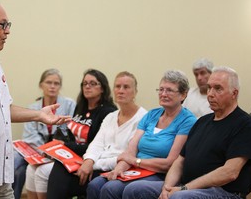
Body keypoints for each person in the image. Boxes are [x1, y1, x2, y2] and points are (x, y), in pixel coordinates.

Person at [0, 0, 68, 198]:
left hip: (2, 177)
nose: (7, 31)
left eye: (8, 25)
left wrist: (39, 114)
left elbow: (4, 108)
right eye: (2, 25)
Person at [123, 66, 251, 199]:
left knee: (179, 197)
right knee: (134, 189)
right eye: (209, 88)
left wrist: (185, 188)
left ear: (234, 93)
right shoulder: (202, 122)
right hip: (186, 186)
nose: (210, 93)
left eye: (218, 88)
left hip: (223, 192)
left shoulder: (245, 124)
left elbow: (230, 172)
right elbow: (180, 162)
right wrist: (166, 188)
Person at [86, 70, 197, 199]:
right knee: (95, 184)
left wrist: (135, 161)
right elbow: (131, 149)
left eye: (169, 90)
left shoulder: (188, 121)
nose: (163, 94)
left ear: (183, 95)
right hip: (137, 169)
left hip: (160, 173)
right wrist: (119, 168)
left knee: (115, 189)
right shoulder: (151, 114)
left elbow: (170, 162)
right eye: (161, 90)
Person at [47, 71, 148, 199]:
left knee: (66, 181)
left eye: (126, 87)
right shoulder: (111, 117)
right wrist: (88, 160)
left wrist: (92, 164)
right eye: (117, 86)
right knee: (60, 167)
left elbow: (126, 156)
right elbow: (97, 144)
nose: (121, 91)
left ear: (135, 92)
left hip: (117, 169)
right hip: (97, 164)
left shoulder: (143, 118)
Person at [26, 69, 117, 199]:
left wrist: (65, 146)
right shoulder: (80, 107)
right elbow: (69, 136)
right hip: (71, 155)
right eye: (85, 83)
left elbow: (99, 146)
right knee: (31, 168)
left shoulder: (107, 112)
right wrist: (57, 149)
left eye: (93, 83)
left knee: (42, 171)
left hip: (89, 159)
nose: (87, 86)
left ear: (102, 88)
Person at [12, 68, 76, 199]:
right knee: (14, 163)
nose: (52, 86)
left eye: (56, 83)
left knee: (32, 169)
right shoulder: (33, 108)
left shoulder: (69, 104)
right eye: (48, 82)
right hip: (37, 149)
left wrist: (52, 151)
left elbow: (71, 131)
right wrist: (44, 151)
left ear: (60, 86)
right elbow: (30, 136)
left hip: (60, 149)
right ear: (41, 85)